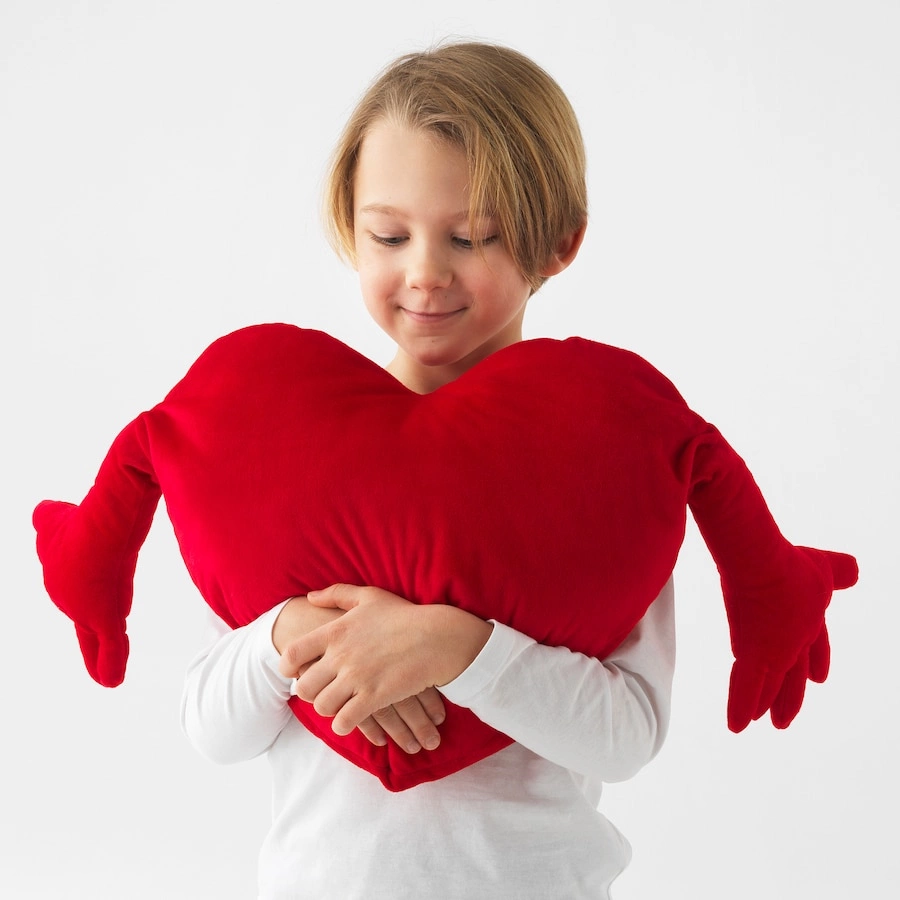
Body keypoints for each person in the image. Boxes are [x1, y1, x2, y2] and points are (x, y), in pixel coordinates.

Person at [181, 41, 676, 899]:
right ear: (350, 229)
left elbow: (628, 734)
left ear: (559, 242)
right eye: (389, 234)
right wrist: (291, 634)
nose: (424, 272)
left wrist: (455, 648)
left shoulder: (604, 454)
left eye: (470, 236)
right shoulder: (285, 451)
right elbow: (210, 728)